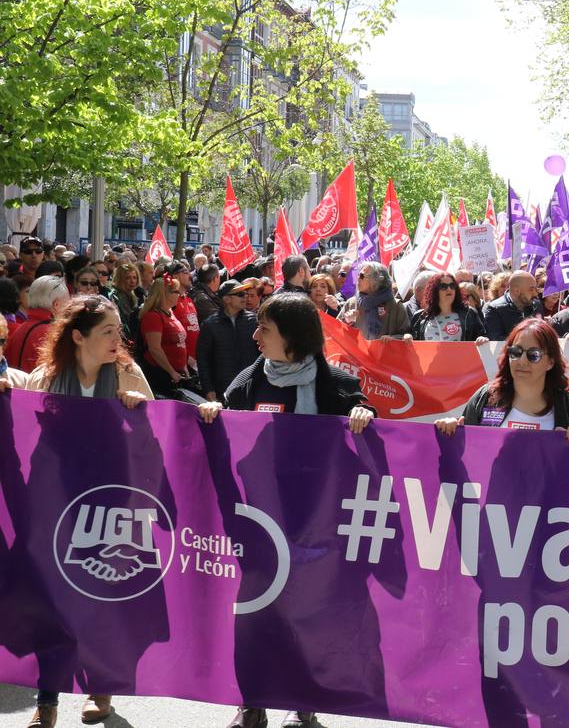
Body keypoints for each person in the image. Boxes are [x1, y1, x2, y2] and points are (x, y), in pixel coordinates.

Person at [197, 294, 375, 728]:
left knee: (310, 612)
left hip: (316, 521)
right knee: (257, 612)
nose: (255, 336)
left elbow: (369, 424)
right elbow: (230, 436)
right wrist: (215, 413)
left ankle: (303, 703)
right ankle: (252, 701)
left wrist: (362, 413)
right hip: (261, 521)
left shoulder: (335, 385)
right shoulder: (248, 384)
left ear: (293, 339)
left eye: (265, 329)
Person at [23, 296, 157, 728]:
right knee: (52, 603)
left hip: (109, 504)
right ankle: (47, 703)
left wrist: (140, 414)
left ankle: (101, 687)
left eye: (119, 330)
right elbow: (23, 435)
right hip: (54, 504)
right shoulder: (44, 379)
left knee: (102, 599)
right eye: (108, 332)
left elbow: (158, 442)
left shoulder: (128, 374)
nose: (119, 339)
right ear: (78, 337)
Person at [434, 319, 569, 439]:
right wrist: (450, 431)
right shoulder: (487, 397)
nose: (522, 361)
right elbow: (465, 450)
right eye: (516, 352)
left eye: (533, 355)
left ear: (551, 362)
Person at [197, 279, 260, 402]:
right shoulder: (210, 325)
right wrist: (208, 388)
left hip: (251, 387)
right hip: (223, 390)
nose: (245, 297)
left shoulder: (254, 321)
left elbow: (262, 353)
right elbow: (203, 360)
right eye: (240, 294)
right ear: (226, 299)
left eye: (246, 293)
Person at [138, 276, 190, 398]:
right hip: (161, 375)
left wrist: (183, 367)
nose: (180, 294)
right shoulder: (153, 316)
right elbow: (154, 349)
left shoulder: (170, 313)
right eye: (176, 291)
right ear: (164, 294)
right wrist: (171, 371)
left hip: (176, 375)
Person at [5, 274, 68, 373]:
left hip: (16, 387)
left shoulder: (19, 330)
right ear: (56, 305)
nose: (68, 308)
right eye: (67, 303)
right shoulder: (53, 333)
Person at [337, 261, 410, 340]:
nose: (358, 278)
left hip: (385, 351)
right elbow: (335, 332)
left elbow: (407, 336)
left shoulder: (395, 306)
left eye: (362, 276)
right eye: (357, 275)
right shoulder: (352, 303)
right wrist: (346, 322)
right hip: (357, 352)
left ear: (377, 280)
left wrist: (393, 339)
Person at [411, 272, 487, 342]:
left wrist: (482, 339)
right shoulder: (420, 316)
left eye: (452, 285)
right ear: (434, 290)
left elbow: (482, 336)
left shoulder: (469, 313)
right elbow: (413, 343)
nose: (449, 289)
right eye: (443, 286)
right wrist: (407, 337)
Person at [482, 270, 541, 341]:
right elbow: (496, 340)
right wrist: (524, 342)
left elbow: (542, 334)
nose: (535, 294)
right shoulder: (495, 309)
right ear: (517, 291)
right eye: (531, 289)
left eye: (536, 288)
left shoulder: (537, 305)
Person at [108, 262, 141, 345]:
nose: (132, 281)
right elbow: (125, 322)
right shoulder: (118, 296)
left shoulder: (132, 295)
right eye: (128, 278)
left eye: (134, 277)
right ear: (120, 279)